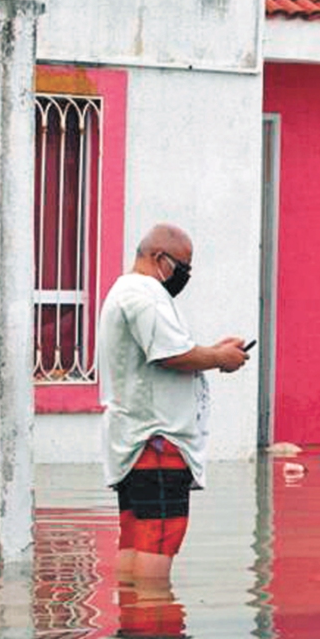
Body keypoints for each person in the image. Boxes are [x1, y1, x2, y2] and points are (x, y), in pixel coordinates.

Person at [97, 223, 249, 585]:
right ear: (157, 257)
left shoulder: (127, 291)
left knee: (135, 534)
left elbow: (169, 353)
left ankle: (134, 624)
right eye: (181, 267)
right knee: (161, 536)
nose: (184, 276)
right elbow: (171, 355)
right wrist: (219, 358)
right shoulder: (145, 294)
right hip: (158, 438)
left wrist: (215, 352)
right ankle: (155, 631)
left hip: (137, 438)